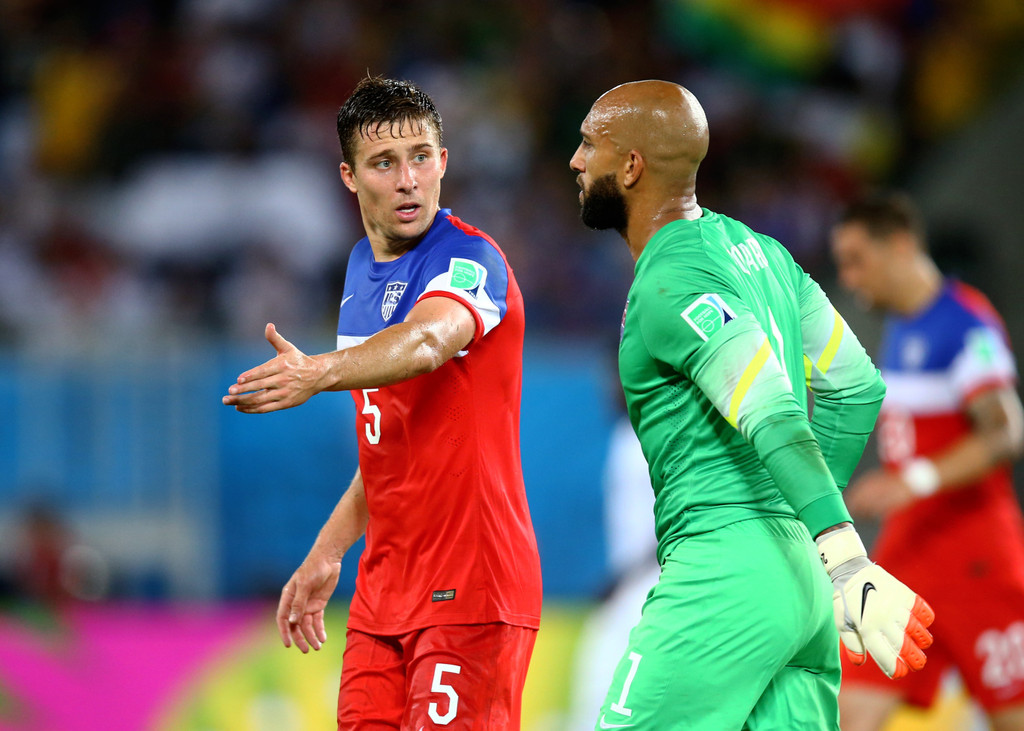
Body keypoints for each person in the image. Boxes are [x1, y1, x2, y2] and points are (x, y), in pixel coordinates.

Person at [568, 80, 934, 730]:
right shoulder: (764, 253)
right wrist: (806, 528)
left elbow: (769, 409)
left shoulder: (671, 277)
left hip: (723, 574)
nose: (575, 160)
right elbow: (856, 386)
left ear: (630, 166)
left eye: (589, 144)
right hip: (801, 585)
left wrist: (846, 556)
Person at [222, 76, 542, 730]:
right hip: (383, 595)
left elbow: (427, 341)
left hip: (471, 586)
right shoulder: (359, 270)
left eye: (421, 157)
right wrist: (329, 549)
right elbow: (389, 444)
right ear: (349, 176)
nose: (408, 181)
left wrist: (318, 373)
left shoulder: (471, 259)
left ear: (443, 162)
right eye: (384, 163)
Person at [831, 194, 1024, 731]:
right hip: (909, 553)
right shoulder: (902, 327)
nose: (848, 277)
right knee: (848, 712)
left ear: (899, 245)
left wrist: (912, 481)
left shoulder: (964, 324)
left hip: (973, 555)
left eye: (856, 259)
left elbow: (1005, 431)